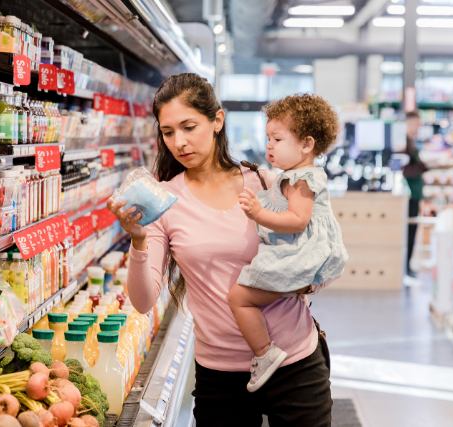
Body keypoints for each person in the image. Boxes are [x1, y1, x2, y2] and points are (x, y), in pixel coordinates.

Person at [108, 73, 334, 426]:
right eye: (168, 132)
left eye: (189, 126)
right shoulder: (163, 202)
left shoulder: (263, 182)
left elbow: (317, 241)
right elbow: (142, 300)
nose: (180, 142)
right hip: (221, 375)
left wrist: (311, 279)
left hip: (295, 362)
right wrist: (137, 239)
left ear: (217, 121)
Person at [229, 94, 347, 392]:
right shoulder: (294, 175)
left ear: (306, 144)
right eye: (268, 138)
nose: (269, 145)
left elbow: (297, 220)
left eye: (277, 139)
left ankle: (264, 352)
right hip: (304, 252)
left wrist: (259, 213)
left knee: (239, 298)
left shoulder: (301, 179)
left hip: (300, 254)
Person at [403, 111, 428, 278]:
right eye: (416, 124)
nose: (418, 128)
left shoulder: (410, 142)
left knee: (412, 231)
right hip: (409, 195)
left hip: (415, 194)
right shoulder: (403, 144)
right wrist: (423, 167)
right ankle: (405, 267)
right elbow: (406, 169)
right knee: (409, 231)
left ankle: (407, 266)